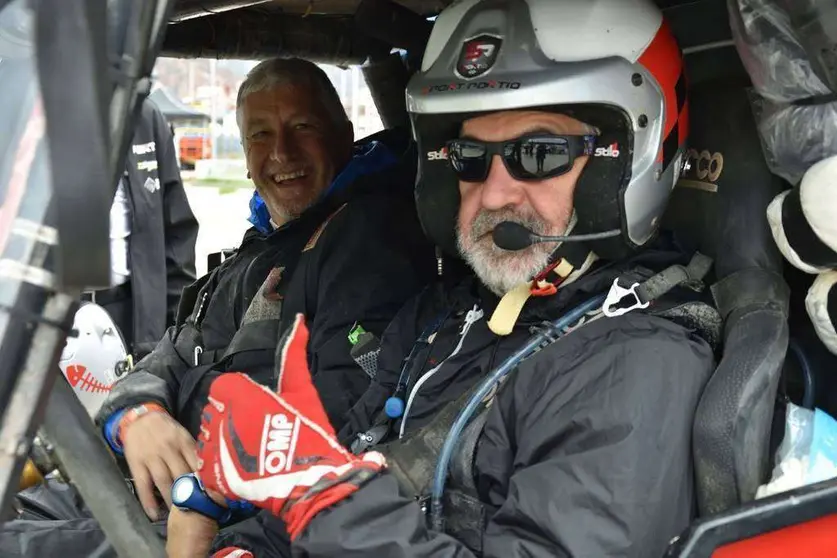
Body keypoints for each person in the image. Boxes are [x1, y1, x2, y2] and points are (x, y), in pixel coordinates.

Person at [176, 1, 721, 557]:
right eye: (468, 157)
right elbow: (362, 458)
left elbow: (337, 501)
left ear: (620, 163)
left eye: (538, 153)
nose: (495, 194)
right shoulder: (451, 313)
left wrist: (320, 499)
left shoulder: (632, 364)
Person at [1, 57, 436, 557]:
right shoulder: (266, 244)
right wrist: (135, 414)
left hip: (221, 517)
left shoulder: (367, 241)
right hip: (156, 477)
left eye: (302, 127)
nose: (281, 152)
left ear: (344, 135)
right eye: (260, 135)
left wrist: (203, 493)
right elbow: (171, 352)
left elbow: (332, 431)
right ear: (246, 157)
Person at [83, 95, 199, 359]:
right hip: (42, 326)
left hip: (129, 320)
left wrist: (178, 336)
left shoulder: (143, 115)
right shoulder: (21, 101)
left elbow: (176, 236)